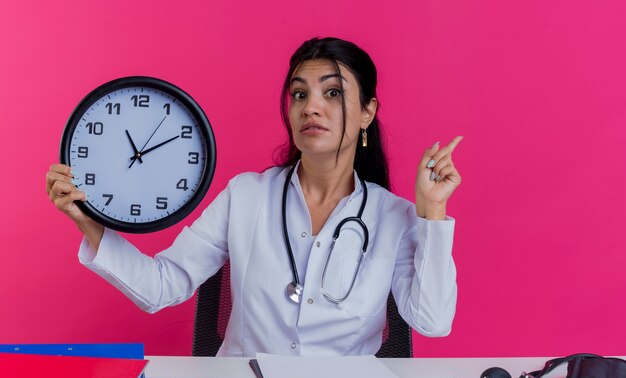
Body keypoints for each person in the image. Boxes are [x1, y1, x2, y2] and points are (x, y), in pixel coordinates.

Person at [46, 37, 463, 357]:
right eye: (300, 94)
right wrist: (88, 220)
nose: (310, 107)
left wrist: (432, 213)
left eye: (332, 93)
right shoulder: (246, 195)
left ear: (368, 112)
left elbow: (431, 321)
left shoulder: (396, 215)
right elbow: (161, 287)